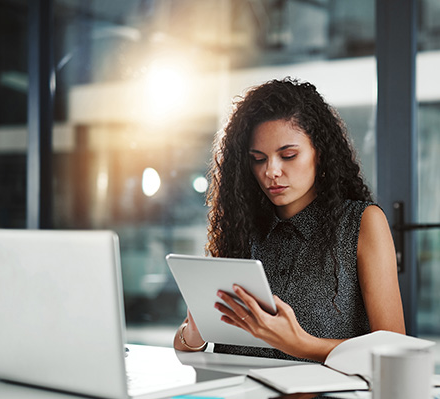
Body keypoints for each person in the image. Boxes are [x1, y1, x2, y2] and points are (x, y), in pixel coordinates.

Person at [173, 77, 405, 363]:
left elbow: (395, 349)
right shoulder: (241, 226)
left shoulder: (361, 223)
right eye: (258, 159)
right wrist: (194, 333)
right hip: (236, 397)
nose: (271, 171)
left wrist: (302, 344)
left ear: (319, 153)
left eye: (288, 155)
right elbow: (186, 342)